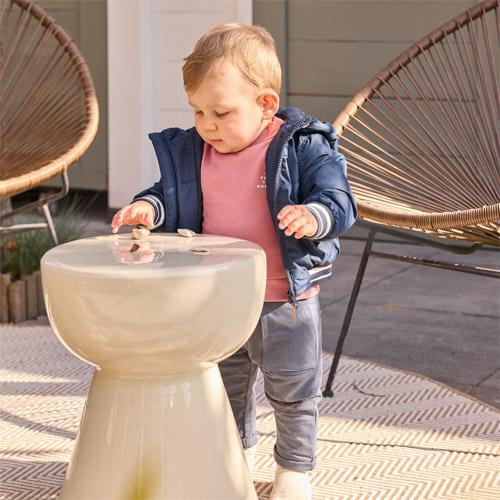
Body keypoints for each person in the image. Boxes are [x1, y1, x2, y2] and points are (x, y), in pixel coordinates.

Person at [111, 23, 357, 500]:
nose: (207, 124)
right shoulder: (195, 151)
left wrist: (314, 215)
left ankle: (294, 471)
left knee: (293, 389)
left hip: (284, 300)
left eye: (221, 113)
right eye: (198, 111)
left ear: (265, 104)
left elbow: (339, 200)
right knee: (225, 388)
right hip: (218, 298)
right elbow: (171, 195)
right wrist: (149, 207)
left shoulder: (303, 146)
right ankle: (236, 455)